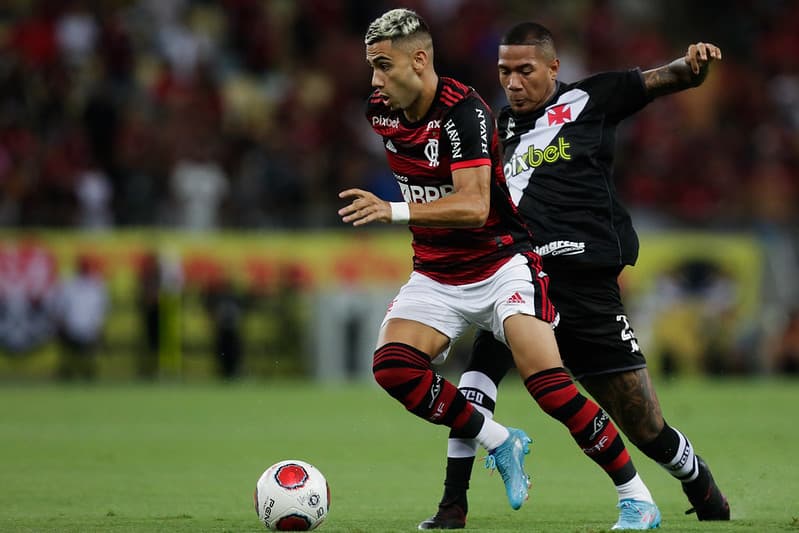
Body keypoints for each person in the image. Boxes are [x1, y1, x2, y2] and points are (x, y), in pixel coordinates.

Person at [339, 9, 660, 530]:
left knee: (550, 385)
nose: (375, 80)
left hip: (501, 265)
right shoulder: (381, 109)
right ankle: (500, 440)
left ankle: (636, 498)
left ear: (420, 60)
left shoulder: (465, 111)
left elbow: (471, 205)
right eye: (370, 67)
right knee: (393, 369)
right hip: (437, 273)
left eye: (383, 65)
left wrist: (392, 209)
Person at [419, 22, 729, 530]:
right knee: (477, 376)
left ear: (553, 68)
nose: (513, 83)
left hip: (587, 284)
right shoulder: (499, 130)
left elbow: (665, 79)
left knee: (643, 422)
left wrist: (692, 66)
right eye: (504, 72)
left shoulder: (592, 97)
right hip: (520, 275)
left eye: (524, 71)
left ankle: (696, 479)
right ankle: (453, 504)